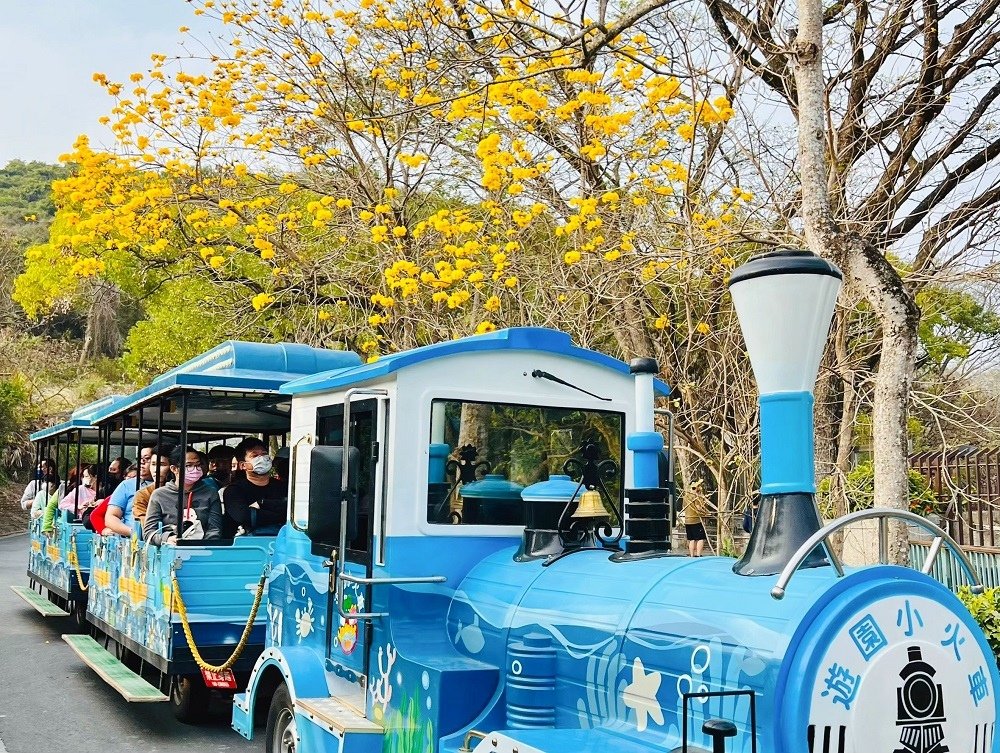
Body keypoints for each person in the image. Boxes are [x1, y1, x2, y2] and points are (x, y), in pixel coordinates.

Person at [143, 446, 223, 545]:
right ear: (174, 469)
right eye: (188, 466)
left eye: (198, 465)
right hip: (170, 551)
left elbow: (215, 529)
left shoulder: (210, 493)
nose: (195, 469)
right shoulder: (159, 495)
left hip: (203, 551)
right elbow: (149, 533)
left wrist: (204, 546)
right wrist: (167, 539)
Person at [222, 438, 287, 537]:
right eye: (255, 456)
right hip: (245, 545)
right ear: (243, 465)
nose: (262, 458)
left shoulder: (283, 487)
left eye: (264, 454)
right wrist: (279, 512)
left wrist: (261, 503)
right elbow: (245, 517)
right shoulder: (234, 490)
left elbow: (291, 513)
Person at [102, 445, 155, 537]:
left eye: (147, 459)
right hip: (133, 541)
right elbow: (111, 517)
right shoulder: (127, 485)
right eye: (140, 458)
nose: (142, 462)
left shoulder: (168, 487)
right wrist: (133, 532)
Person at [131, 448, 173, 527]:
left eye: (162, 465)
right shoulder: (143, 495)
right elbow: (146, 526)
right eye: (153, 464)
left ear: (174, 468)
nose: (155, 470)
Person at [682, 479, 708, 557]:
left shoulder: (685, 497)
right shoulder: (696, 497)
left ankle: (692, 555)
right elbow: (699, 508)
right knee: (700, 538)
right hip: (695, 520)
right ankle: (698, 555)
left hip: (687, 520)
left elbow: (683, 507)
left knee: (691, 539)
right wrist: (705, 512)